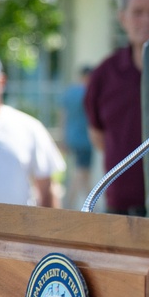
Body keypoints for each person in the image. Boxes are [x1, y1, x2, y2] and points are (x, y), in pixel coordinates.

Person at [83, 0, 149, 215]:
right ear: (122, 18)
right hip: (120, 208)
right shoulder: (104, 74)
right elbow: (98, 138)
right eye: (138, 11)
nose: (146, 20)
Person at [0, 49, 65, 207]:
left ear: (1, 81)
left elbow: (47, 187)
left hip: (16, 229)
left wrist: (50, 230)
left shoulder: (27, 126)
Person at [60, 66, 93, 209]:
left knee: (83, 173)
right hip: (85, 139)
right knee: (80, 171)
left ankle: (91, 204)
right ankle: (69, 203)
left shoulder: (70, 92)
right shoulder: (88, 93)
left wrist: (64, 136)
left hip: (72, 137)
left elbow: (63, 116)